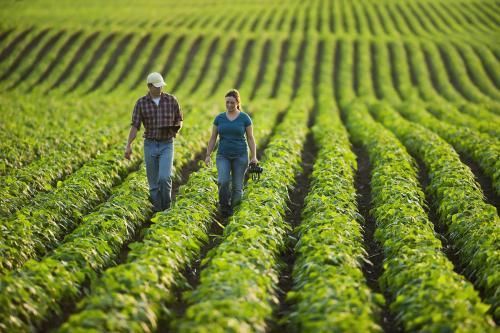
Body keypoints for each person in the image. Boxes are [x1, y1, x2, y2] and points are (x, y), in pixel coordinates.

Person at [124, 72, 183, 212]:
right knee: (153, 184)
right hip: (150, 144)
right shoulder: (141, 103)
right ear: (149, 86)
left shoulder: (171, 100)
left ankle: (167, 208)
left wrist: (177, 128)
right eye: (157, 86)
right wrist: (128, 145)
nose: (160, 89)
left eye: (161, 86)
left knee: (165, 178)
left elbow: (179, 119)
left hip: (166, 144)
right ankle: (157, 210)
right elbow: (135, 126)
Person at [204, 89, 258, 217]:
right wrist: (208, 155)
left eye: (232, 103)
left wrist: (254, 156)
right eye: (227, 102)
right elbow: (213, 137)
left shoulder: (245, 118)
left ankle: (234, 213)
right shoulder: (219, 118)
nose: (229, 105)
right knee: (223, 181)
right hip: (223, 155)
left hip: (240, 156)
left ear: (237, 102)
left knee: (237, 187)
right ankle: (224, 206)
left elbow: (250, 138)